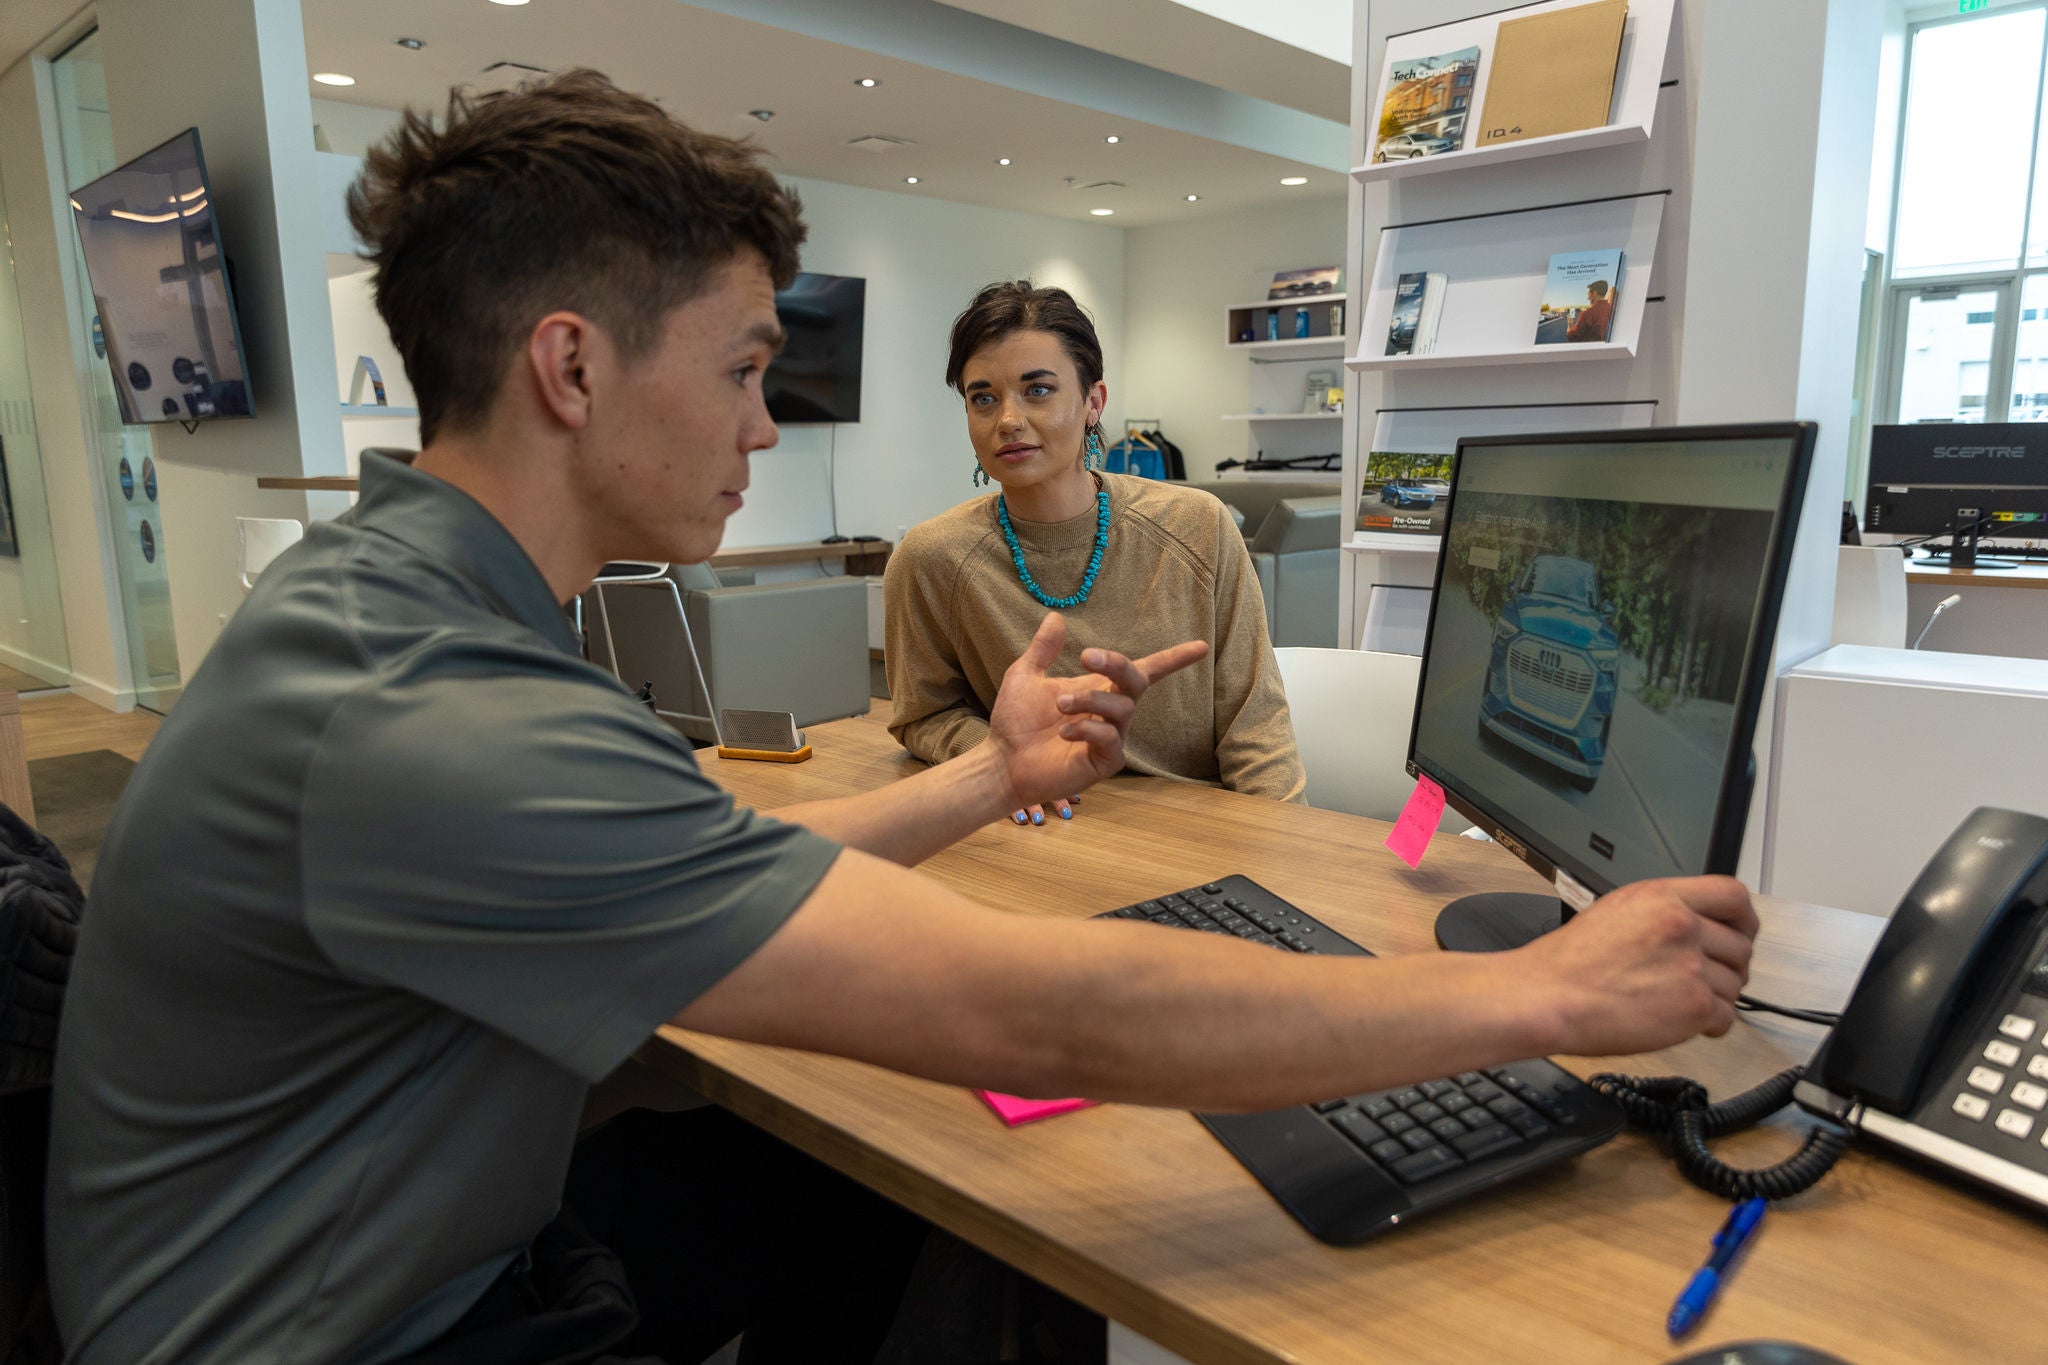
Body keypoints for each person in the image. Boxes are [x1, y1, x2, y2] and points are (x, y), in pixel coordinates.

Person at [48, 70, 1761, 1365]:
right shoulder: (434, 711)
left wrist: (991, 781)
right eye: (736, 371)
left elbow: (718, 861)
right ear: (570, 370)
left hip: (376, 1256)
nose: (765, 426)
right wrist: (1533, 991)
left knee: (946, 1232)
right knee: (978, 1213)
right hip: (372, 1333)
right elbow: (1042, 1013)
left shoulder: (403, 614)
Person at [886, 282, 1306, 823]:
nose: (1007, 420)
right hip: (1034, 832)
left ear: (1093, 402)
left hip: (1200, 833)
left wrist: (1287, 849)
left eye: (1037, 390)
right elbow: (923, 713)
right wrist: (998, 760)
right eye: (982, 397)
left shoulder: (1198, 527)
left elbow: (1258, 726)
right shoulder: (932, 558)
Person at [1566, 279, 1615, 343]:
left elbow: (1572, 337)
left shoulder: (1588, 314)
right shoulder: (1611, 309)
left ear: (1594, 293)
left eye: (1588, 294)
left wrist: (1569, 325)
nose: (1588, 298)